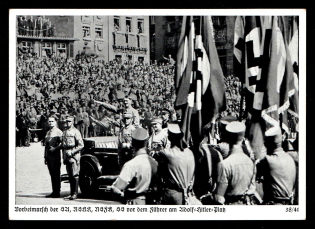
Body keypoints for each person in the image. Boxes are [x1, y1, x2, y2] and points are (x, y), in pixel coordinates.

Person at [151, 123, 201, 205]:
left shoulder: (167, 153)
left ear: (170, 137)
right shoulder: (190, 152)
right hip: (189, 194)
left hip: (173, 194)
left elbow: (153, 155)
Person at [213, 121, 258, 205]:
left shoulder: (225, 165)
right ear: (242, 137)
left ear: (227, 138)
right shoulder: (250, 163)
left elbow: (219, 199)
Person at [110, 128, 158, 205]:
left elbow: (116, 188)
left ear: (132, 143)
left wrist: (123, 196)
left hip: (135, 202)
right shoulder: (154, 163)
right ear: (146, 143)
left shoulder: (131, 165)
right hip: (151, 202)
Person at [257, 128, 297, 205]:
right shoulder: (290, 158)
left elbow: (252, 173)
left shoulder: (268, 160)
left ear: (267, 144)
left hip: (273, 205)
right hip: (289, 204)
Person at [62, 115, 84, 200]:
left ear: (72, 122)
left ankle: (75, 193)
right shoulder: (64, 132)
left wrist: (73, 151)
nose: (67, 123)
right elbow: (63, 145)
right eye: (66, 121)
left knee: (75, 174)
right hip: (66, 154)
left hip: (74, 155)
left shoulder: (76, 132)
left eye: (69, 121)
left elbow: (81, 145)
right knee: (70, 175)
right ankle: (71, 193)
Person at [44, 115, 63, 198]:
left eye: (52, 121)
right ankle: (54, 191)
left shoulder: (59, 132)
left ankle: (57, 191)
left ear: (56, 122)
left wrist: (55, 149)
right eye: (49, 121)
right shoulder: (48, 132)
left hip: (55, 155)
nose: (50, 123)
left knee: (56, 174)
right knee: (52, 174)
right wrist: (45, 156)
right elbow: (46, 146)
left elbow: (62, 143)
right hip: (49, 156)